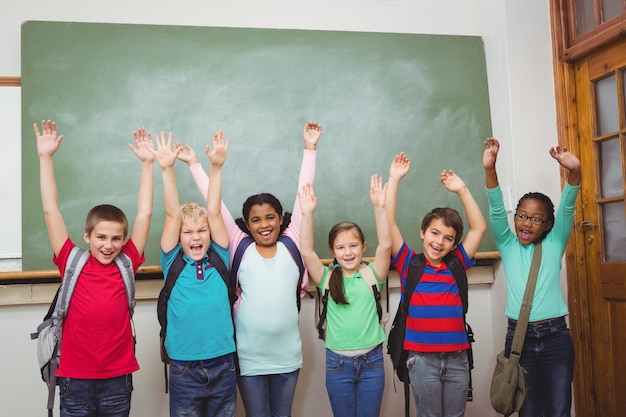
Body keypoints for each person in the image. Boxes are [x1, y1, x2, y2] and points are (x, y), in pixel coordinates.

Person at [176, 121, 322, 417]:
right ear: (246, 224)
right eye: (255, 220)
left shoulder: (293, 241)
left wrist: (310, 149)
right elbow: (214, 207)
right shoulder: (239, 246)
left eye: (270, 217)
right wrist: (195, 165)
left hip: (287, 358)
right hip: (248, 359)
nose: (264, 224)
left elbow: (303, 192)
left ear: (281, 219)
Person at [34, 120, 154, 417]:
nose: (108, 245)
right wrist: (45, 159)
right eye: (101, 237)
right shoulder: (71, 261)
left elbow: (145, 213)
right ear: (87, 237)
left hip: (118, 379)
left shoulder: (127, 262)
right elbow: (51, 210)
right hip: (74, 379)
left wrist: (148, 164)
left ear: (125, 241)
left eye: (116, 238)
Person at [483, 137, 581, 417]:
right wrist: (491, 168)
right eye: (522, 216)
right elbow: (496, 209)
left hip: (555, 338)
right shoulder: (506, 244)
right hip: (519, 339)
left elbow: (567, 205)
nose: (527, 222)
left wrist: (574, 172)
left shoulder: (555, 242)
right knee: (528, 409)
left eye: (536, 219)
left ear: (548, 225)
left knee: (560, 408)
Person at [386, 152, 486, 417]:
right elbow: (389, 222)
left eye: (448, 238)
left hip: (457, 358)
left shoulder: (457, 264)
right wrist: (395, 179)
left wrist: (462, 189)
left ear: (454, 245)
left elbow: (478, 229)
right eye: (434, 233)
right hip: (421, 360)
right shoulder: (410, 264)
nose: (439, 242)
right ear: (422, 232)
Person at [152, 129, 235, 417]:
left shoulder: (220, 255)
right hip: (183, 366)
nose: (196, 237)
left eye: (202, 231)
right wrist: (166, 168)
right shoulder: (172, 260)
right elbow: (173, 213)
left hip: (224, 361)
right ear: (179, 237)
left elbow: (213, 211)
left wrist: (215, 167)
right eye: (188, 232)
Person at [298, 175, 391, 417]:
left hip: (372, 362)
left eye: (353, 246)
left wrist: (379, 207)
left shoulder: (373, 274)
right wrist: (307, 214)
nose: (348, 252)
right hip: (338, 364)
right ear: (332, 251)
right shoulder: (327, 278)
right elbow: (306, 252)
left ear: (363, 247)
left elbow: (386, 246)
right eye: (340, 247)